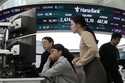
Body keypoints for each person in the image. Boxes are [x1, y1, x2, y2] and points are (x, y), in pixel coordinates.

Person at [70, 15, 107, 83]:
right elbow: (90, 50)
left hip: (93, 67)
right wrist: (79, 58)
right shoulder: (85, 34)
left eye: (71, 24)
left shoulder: (85, 34)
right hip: (92, 67)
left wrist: (81, 61)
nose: (70, 26)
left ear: (78, 25)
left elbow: (93, 49)